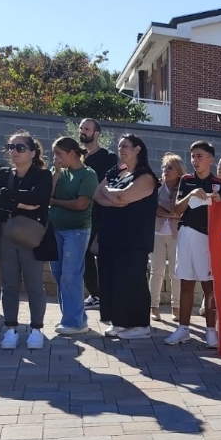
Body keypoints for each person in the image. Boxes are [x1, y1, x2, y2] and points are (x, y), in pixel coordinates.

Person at [0, 132, 54, 350]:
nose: (14, 151)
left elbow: (38, 198)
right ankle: (10, 329)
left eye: (20, 147)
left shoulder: (42, 175)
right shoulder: (4, 172)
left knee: (34, 284)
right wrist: (18, 204)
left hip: (30, 235)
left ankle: (36, 330)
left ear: (33, 152)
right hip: (5, 232)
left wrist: (7, 194)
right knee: (9, 285)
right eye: (10, 147)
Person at [91, 134, 157, 339]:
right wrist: (115, 198)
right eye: (119, 146)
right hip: (111, 235)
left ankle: (140, 325)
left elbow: (123, 196)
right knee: (111, 279)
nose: (121, 149)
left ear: (138, 149)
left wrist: (112, 194)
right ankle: (119, 322)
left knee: (132, 280)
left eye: (126, 146)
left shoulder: (146, 176)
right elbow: (97, 194)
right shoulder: (116, 172)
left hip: (134, 239)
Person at [165, 141, 221, 348]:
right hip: (186, 234)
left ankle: (211, 332)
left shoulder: (218, 182)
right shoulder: (186, 180)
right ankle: (183, 329)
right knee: (186, 283)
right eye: (192, 156)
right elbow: (177, 210)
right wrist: (190, 195)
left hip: (208, 238)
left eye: (199, 156)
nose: (195, 160)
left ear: (210, 159)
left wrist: (219, 200)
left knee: (209, 286)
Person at [48, 136, 98, 334]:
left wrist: (56, 202)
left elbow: (81, 204)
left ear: (71, 153)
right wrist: (56, 174)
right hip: (55, 229)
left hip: (77, 230)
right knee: (60, 274)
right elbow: (46, 197)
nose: (55, 158)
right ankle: (70, 318)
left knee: (71, 274)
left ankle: (75, 322)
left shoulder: (88, 174)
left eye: (59, 154)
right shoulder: (57, 172)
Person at [79, 118, 118, 309]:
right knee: (83, 253)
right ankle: (96, 294)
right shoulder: (76, 156)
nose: (82, 131)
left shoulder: (108, 157)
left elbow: (108, 184)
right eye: (80, 128)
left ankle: (105, 295)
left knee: (99, 254)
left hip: (100, 213)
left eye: (86, 128)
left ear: (96, 134)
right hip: (78, 213)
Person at [150, 152, 184, 322]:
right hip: (156, 233)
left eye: (170, 167)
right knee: (156, 271)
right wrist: (171, 212)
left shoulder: (185, 188)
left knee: (176, 273)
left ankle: (176, 308)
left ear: (178, 171)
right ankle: (154, 307)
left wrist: (168, 210)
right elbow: (153, 208)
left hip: (175, 235)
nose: (165, 170)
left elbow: (181, 210)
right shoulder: (156, 186)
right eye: (164, 167)